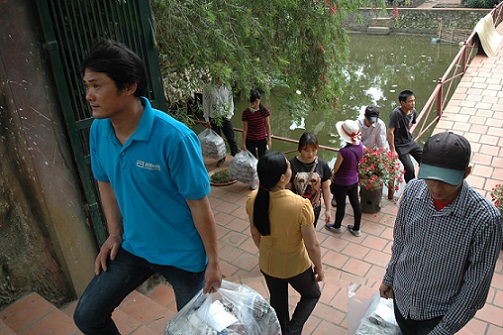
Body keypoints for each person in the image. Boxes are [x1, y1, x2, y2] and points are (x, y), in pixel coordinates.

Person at [73, 39, 222, 334]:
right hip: (134, 246)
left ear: (128, 86)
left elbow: (198, 204)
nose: (89, 95)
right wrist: (114, 233)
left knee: (194, 330)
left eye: (97, 85)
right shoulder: (99, 130)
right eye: (87, 86)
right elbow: (104, 182)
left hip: (183, 257)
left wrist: (214, 262)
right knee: (87, 316)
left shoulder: (174, 139)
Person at [379, 132, 503, 335]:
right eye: (430, 178)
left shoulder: (485, 220)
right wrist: (389, 277)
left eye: (446, 181)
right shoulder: (411, 191)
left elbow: (476, 285)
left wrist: (444, 330)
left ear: (466, 172)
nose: (436, 188)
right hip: (401, 299)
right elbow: (400, 241)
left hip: (436, 315)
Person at [246, 151, 324, 335]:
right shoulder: (300, 205)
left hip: (268, 263)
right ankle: (292, 331)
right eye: (288, 167)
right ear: (282, 178)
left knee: (278, 300)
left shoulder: (253, 199)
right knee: (313, 294)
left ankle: (282, 329)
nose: (291, 168)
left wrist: (267, 250)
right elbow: (312, 245)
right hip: (295, 265)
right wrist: (319, 267)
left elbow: (255, 233)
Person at [325, 120, 363, 237]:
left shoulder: (344, 151)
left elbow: (336, 169)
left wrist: (331, 175)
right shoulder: (360, 146)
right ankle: (356, 228)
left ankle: (337, 226)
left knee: (341, 205)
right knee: (355, 203)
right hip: (354, 180)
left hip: (342, 182)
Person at [288, 132, 332, 228]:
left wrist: (328, 209)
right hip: (295, 208)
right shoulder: (291, 165)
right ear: (300, 149)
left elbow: (325, 187)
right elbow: (287, 189)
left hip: (314, 208)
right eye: (306, 150)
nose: (310, 154)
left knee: (311, 231)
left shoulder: (322, 164)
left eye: (314, 150)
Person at [357, 105, 395, 200]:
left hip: (372, 153)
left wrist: (381, 158)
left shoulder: (380, 124)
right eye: (370, 120)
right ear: (364, 116)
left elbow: (381, 144)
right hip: (357, 150)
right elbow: (356, 142)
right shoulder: (357, 124)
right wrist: (366, 152)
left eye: (374, 120)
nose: (372, 123)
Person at [387, 90, 423, 183]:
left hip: (410, 141)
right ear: (403, 103)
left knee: (425, 159)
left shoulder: (413, 111)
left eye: (414, 100)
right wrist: (393, 150)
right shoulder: (396, 114)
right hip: (399, 144)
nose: (413, 103)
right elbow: (390, 132)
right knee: (409, 168)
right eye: (410, 101)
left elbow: (410, 125)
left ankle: (424, 181)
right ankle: (411, 187)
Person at [202, 78, 239, 166]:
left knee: (231, 138)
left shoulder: (227, 86)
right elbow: (206, 103)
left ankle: (236, 157)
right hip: (214, 117)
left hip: (225, 117)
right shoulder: (208, 87)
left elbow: (230, 101)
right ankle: (221, 158)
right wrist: (206, 119)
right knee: (217, 142)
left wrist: (229, 115)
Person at [241, 90, 272, 159]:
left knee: (262, 158)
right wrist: (243, 143)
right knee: (252, 158)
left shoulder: (264, 111)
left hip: (261, 138)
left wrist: (269, 140)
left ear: (259, 100)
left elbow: (267, 125)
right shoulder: (246, 113)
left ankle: (261, 170)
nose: (254, 104)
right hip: (250, 139)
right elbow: (245, 129)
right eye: (252, 102)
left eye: (256, 102)